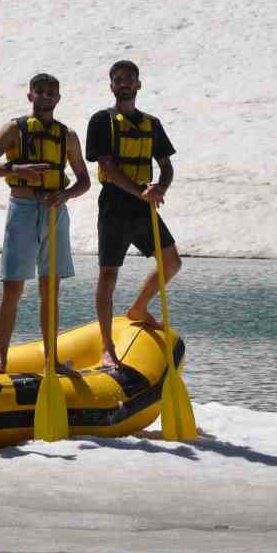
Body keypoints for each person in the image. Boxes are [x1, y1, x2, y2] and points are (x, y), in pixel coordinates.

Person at [0, 72, 90, 376]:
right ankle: (1, 359)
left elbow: (84, 180)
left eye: (51, 92)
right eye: (39, 91)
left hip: (54, 213)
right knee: (12, 288)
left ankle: (51, 360)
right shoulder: (15, 129)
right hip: (23, 209)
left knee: (50, 289)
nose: (45, 96)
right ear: (30, 95)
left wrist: (64, 195)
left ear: (58, 98)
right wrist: (16, 169)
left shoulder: (68, 135)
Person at [86, 59, 181, 370]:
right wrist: (142, 191)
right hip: (115, 204)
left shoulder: (151, 124)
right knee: (108, 274)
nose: (124, 83)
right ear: (111, 85)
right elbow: (108, 169)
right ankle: (106, 346)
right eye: (118, 79)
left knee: (171, 262)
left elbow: (166, 166)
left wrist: (159, 189)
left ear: (139, 84)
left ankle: (138, 309)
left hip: (144, 203)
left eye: (129, 79)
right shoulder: (102, 121)